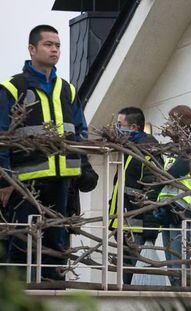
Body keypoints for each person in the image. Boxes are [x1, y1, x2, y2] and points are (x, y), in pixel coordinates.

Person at [0, 25, 88, 280]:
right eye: (48, 44)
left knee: (57, 240)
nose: (55, 50)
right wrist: (4, 180)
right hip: (24, 181)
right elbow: (1, 135)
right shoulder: (13, 88)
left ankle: (54, 289)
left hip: (63, 178)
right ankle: (19, 294)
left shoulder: (67, 89)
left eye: (58, 45)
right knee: (21, 241)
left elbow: (80, 129)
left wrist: (82, 165)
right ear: (32, 49)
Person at [108, 107, 163, 285]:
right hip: (125, 225)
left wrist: (149, 228)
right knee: (126, 278)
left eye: (120, 124)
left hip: (137, 227)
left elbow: (153, 189)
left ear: (133, 128)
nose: (116, 128)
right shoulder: (129, 149)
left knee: (133, 279)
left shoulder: (148, 150)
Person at [154, 105, 191, 287]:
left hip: (186, 212)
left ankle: (182, 295)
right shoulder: (175, 149)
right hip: (170, 210)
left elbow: (173, 172)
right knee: (172, 264)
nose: (168, 126)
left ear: (181, 123)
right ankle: (177, 290)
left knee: (179, 265)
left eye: (172, 122)